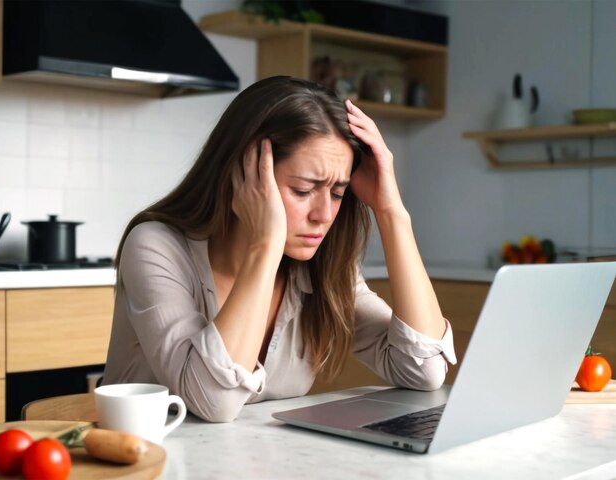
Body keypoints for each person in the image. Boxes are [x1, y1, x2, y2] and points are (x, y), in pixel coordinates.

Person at [102, 76, 456, 422]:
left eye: (337, 193)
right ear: (243, 173)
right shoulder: (156, 246)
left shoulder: (323, 267)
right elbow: (213, 401)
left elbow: (423, 371)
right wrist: (265, 243)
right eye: (303, 190)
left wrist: (391, 213)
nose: (324, 215)